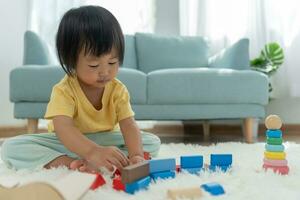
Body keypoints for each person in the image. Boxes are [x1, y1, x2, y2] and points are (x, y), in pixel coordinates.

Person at [1, 6, 160, 172]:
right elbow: (64, 128)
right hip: (66, 142)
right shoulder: (64, 90)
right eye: (94, 65)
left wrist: (136, 155)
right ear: (71, 62)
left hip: (106, 141)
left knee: (151, 142)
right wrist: (91, 151)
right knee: (11, 147)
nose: (105, 71)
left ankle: (104, 159)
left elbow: (128, 124)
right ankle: (71, 163)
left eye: (112, 63)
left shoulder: (118, 90)